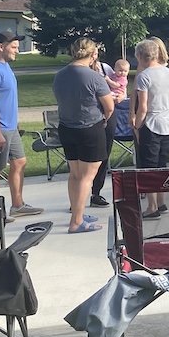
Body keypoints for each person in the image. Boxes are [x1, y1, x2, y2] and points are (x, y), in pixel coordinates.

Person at [0, 30, 43, 220]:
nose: (17, 50)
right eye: (13, 47)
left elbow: (7, 99)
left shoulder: (5, 67)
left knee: (20, 162)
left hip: (10, 128)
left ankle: (18, 205)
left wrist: (15, 122)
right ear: (0, 47)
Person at [52, 38, 115, 233]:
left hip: (66, 128)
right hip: (89, 129)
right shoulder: (94, 77)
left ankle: (76, 214)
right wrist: (104, 119)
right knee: (87, 177)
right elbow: (109, 106)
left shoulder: (60, 75)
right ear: (93, 54)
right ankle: (76, 222)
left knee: (75, 174)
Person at [130, 37, 169, 219]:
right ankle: (162, 202)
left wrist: (137, 124)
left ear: (141, 56)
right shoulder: (167, 72)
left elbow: (143, 107)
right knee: (162, 164)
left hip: (152, 124)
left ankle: (152, 207)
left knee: (148, 167)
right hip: (168, 123)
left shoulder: (144, 76)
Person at [89, 57, 128, 208]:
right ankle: (79, 196)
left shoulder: (105, 68)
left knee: (103, 154)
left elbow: (121, 85)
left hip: (109, 115)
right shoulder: (79, 71)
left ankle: (96, 192)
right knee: (84, 159)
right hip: (89, 116)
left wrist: (122, 96)